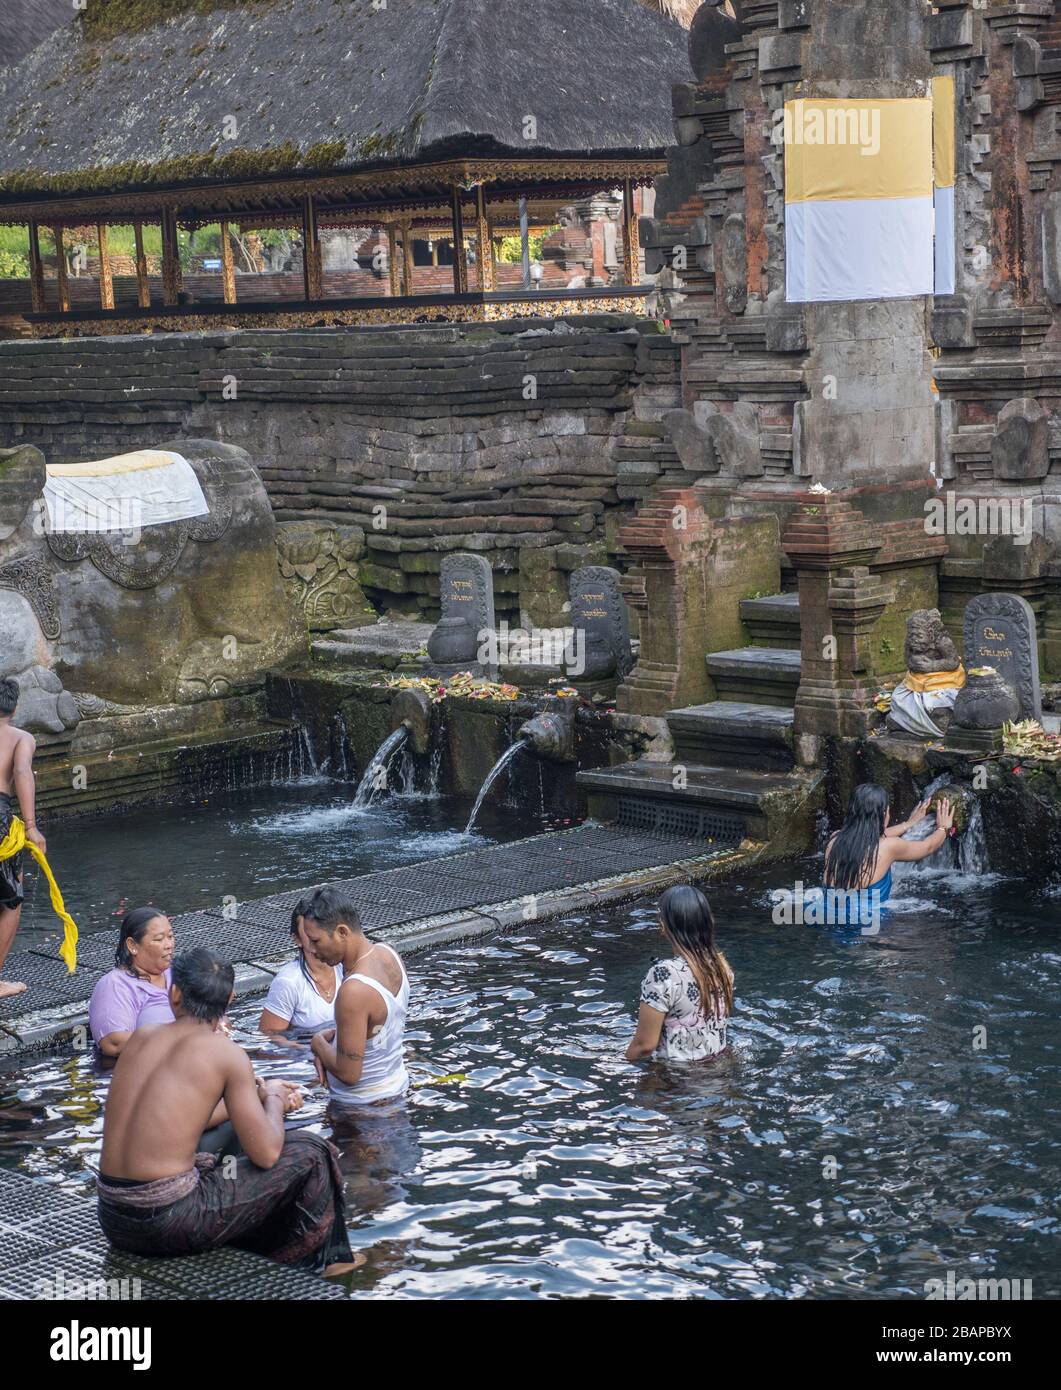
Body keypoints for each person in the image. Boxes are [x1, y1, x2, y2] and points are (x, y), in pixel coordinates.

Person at [96, 946, 358, 1276]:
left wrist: (259, 1095)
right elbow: (266, 1153)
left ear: (174, 994)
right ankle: (322, 1266)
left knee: (234, 1128)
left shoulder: (141, 1037)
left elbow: (183, 1116)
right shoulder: (226, 1054)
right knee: (313, 1151)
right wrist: (275, 1099)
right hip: (166, 1224)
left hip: (113, 1219)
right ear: (230, 1000)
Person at [300, 886, 410, 1106]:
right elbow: (377, 1028)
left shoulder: (354, 991)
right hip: (395, 1087)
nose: (310, 949)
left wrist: (318, 1044)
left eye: (316, 941)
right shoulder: (388, 954)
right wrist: (335, 1035)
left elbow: (349, 1073)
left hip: (362, 1108)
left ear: (342, 932)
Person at [626, 884, 734, 1063]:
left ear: (664, 925)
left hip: (678, 1080)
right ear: (708, 922)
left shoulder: (663, 974)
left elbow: (645, 1045)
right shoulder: (722, 967)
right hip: (719, 1069)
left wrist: (619, 1064)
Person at [821, 784, 955, 926]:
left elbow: (870, 836)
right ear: (884, 815)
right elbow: (928, 847)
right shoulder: (888, 847)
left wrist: (908, 824)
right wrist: (943, 827)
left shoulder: (835, 839)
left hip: (828, 919)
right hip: (868, 926)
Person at [0, 678, 45, 1000]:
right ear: (14, 708)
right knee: (10, 899)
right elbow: (21, 772)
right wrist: (30, 825)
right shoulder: (20, 738)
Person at [89, 908, 176, 1057]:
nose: (168, 944)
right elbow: (113, 1043)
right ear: (132, 945)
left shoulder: (179, 973)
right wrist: (183, 1039)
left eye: (170, 936)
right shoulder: (116, 985)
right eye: (159, 939)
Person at [259, 898, 342, 1034]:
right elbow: (267, 1038)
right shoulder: (288, 982)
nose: (318, 937)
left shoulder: (345, 967)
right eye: (310, 935)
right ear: (297, 939)